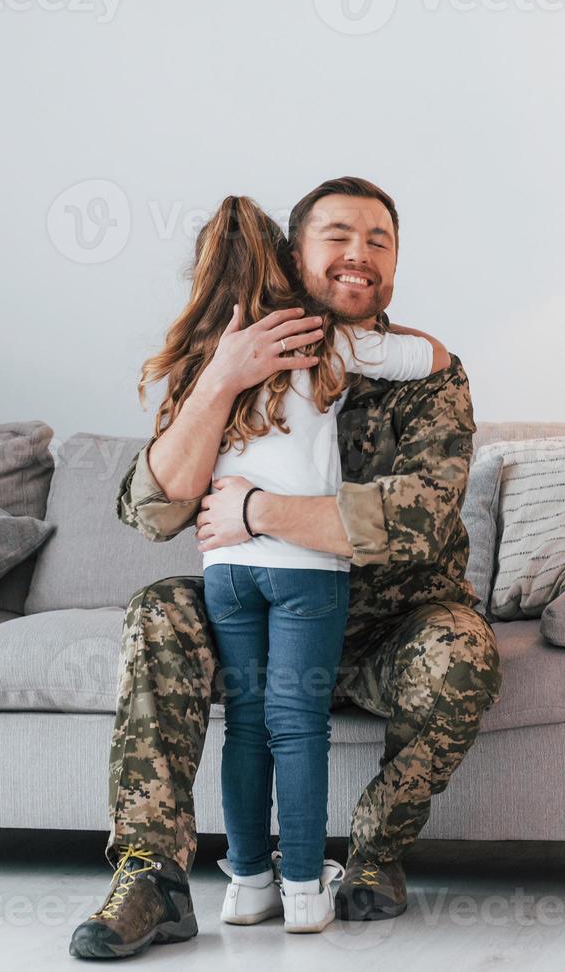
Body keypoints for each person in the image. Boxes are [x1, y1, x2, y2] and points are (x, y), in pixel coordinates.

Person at [69, 176, 502, 960]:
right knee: (160, 608)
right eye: (337, 235)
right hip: (261, 622)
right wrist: (221, 379)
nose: (358, 255)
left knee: (461, 651)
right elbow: (153, 510)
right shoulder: (230, 354)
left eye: (379, 240)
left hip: (382, 634)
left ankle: (372, 855)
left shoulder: (427, 377)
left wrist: (256, 510)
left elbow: (414, 520)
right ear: (294, 254)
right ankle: (152, 879)